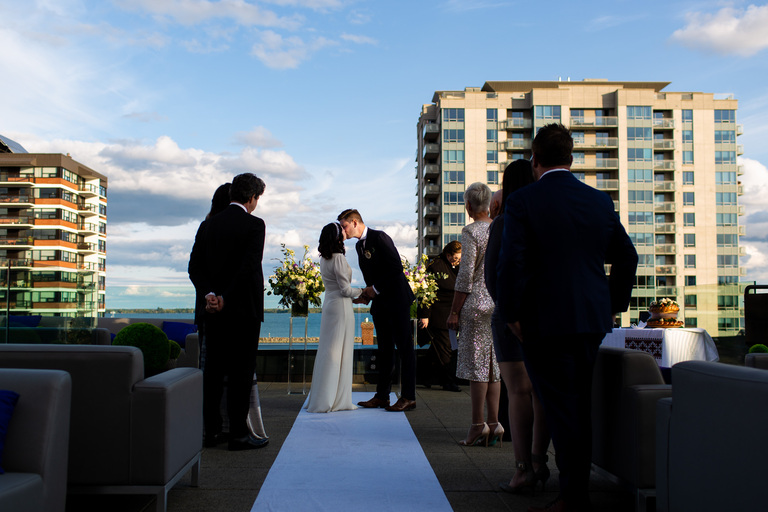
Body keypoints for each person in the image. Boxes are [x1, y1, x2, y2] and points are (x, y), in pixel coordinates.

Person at [497, 124, 638, 512]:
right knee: (578, 406)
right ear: (571, 160)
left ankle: (573, 497)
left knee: (562, 409)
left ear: (535, 159)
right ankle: (574, 489)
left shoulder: (523, 201)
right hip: (591, 321)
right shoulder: (598, 201)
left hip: (544, 322)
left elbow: (512, 263)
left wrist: (511, 313)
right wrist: (612, 304)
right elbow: (627, 257)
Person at [484, 161, 550, 494]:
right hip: (545, 316)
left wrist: (511, 314)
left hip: (511, 317)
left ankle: (522, 468)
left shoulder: (505, 221)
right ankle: (540, 462)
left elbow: (492, 277)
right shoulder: (545, 218)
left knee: (519, 392)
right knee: (540, 391)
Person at [199, 173, 270, 451]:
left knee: (213, 372)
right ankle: (239, 434)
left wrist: (211, 295)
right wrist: (227, 297)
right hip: (243, 311)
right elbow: (249, 266)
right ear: (252, 198)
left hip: (213, 310)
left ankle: (212, 432)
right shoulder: (255, 225)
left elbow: (196, 266)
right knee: (241, 373)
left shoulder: (208, 225)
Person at [337, 208, 417, 412]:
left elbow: (396, 269)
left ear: (355, 222)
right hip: (381, 304)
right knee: (384, 351)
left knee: (405, 349)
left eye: (344, 226)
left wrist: (375, 289)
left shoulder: (380, 237)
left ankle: (409, 397)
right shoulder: (358, 246)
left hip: (398, 300)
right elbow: (371, 277)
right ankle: (382, 396)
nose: (343, 231)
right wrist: (366, 295)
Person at [447, 182, 501, 447]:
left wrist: (454, 310)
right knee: (494, 366)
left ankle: (477, 425)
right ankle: (495, 423)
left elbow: (466, 274)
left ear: (469, 206)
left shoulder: (470, 232)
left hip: (476, 305)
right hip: (497, 303)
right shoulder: (499, 228)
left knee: (476, 367)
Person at [305, 222, 364, 413]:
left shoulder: (324, 259)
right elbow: (346, 290)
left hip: (330, 304)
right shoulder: (338, 258)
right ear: (337, 236)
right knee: (339, 352)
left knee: (328, 350)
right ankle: (336, 398)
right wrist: (363, 291)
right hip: (341, 307)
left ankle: (323, 396)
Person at [417, 240, 462, 392]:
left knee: (438, 350)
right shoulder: (435, 266)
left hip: (452, 315)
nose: (458, 261)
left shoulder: (457, 266)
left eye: (460, 258)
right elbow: (425, 292)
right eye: (456, 258)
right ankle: (448, 382)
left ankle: (421, 375)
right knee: (445, 349)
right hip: (439, 315)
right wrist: (424, 315)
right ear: (448, 255)